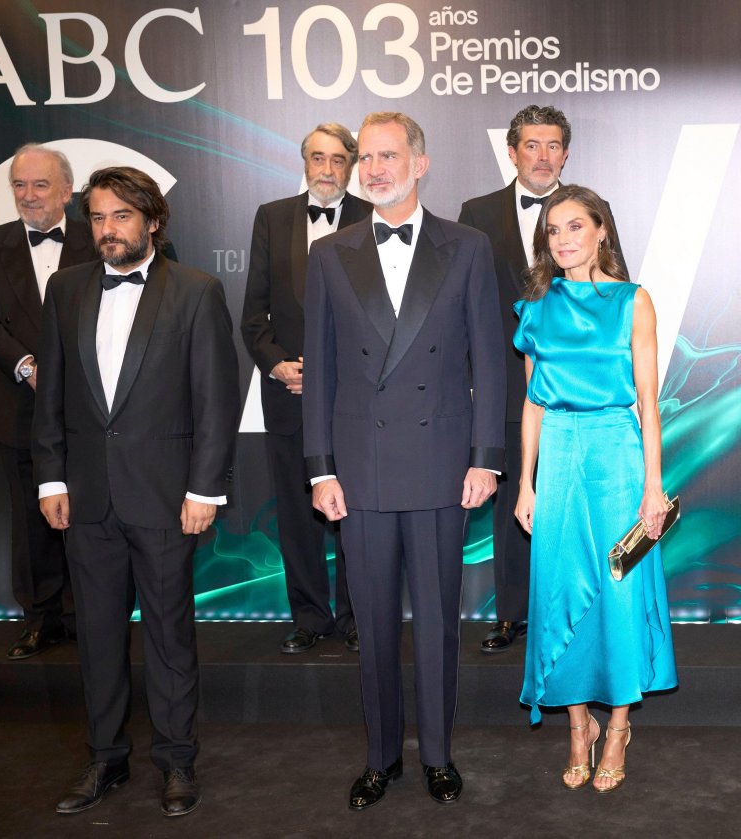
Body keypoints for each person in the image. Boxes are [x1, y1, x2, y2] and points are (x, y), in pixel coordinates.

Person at [303, 111, 505, 808]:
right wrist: (320, 467)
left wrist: (486, 458)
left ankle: (439, 755)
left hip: (443, 464)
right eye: (367, 156)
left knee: (440, 622)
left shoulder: (470, 246)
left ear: (421, 163)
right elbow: (321, 371)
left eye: (389, 155)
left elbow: (491, 358)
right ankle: (380, 755)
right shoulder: (331, 253)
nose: (374, 167)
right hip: (358, 472)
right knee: (375, 623)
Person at [32, 166, 240, 817]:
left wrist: (205, 488)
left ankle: (178, 761)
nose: (107, 229)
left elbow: (216, 400)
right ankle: (106, 759)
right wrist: (52, 475)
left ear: (153, 221)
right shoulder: (64, 290)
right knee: (95, 638)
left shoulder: (196, 291)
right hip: (87, 499)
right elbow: (54, 396)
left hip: (165, 499)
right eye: (96, 217)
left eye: (121, 215)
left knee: (170, 636)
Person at [514, 184, 677, 794]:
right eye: (553, 231)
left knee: (617, 587)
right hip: (557, 453)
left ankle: (617, 729)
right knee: (556, 588)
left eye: (575, 227)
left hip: (616, 454)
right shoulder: (535, 306)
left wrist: (653, 486)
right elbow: (531, 404)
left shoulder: (633, 301)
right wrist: (525, 484)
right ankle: (576, 725)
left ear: (601, 230)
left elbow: (648, 403)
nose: (563, 240)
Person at [458, 105, 626, 654]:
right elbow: (464, 302)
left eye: (553, 145)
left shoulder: (585, 212)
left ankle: (579, 618)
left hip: (583, 387)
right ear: (512, 152)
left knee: (578, 508)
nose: (542, 155)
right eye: (531, 145)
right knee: (516, 502)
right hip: (507, 386)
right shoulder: (476, 213)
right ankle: (512, 614)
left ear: (566, 152)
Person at [241, 123, 372, 654]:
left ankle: (359, 615)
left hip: (358, 399)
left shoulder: (373, 218)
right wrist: (276, 365)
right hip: (288, 396)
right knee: (297, 513)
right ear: (304, 162)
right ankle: (310, 617)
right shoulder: (272, 218)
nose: (326, 168)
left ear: (353, 165)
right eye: (317, 157)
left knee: (357, 512)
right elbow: (253, 314)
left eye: (337, 159)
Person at [0, 143, 95, 660]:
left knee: (90, 510)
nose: (28, 196)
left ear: (67, 191)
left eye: (40, 185)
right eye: (19, 185)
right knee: (31, 519)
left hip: (92, 408)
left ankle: (89, 613)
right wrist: (27, 365)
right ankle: (40, 618)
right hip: (19, 406)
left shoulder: (99, 237)